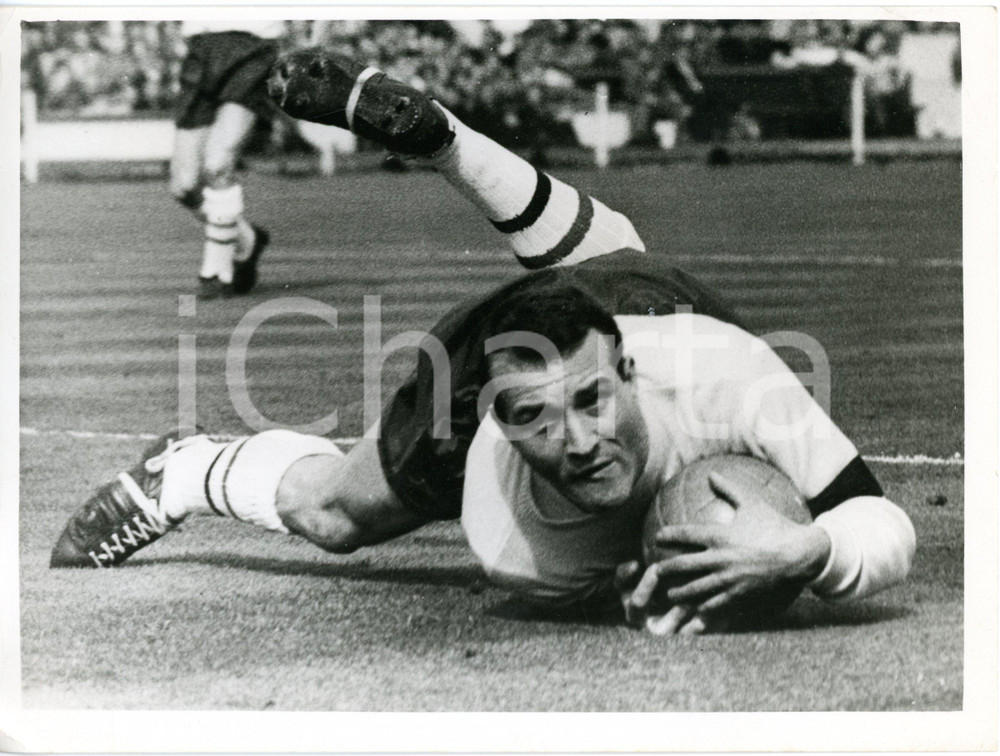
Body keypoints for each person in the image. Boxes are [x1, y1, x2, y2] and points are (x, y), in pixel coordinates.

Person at [50, 48, 915, 634]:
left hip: (654, 302)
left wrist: (808, 547)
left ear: (629, 367)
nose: (578, 442)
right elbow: (625, 575)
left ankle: (452, 146)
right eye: (540, 421)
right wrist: (659, 576)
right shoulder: (517, 541)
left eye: (593, 403)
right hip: (513, 346)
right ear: (501, 424)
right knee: (336, 514)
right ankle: (185, 469)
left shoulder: (733, 374)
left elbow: (877, 521)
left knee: (617, 265)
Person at [169, 20, 281, 299]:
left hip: (253, 48)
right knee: (184, 186)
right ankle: (247, 239)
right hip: (200, 48)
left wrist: (316, 41)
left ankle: (216, 273)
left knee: (218, 165)